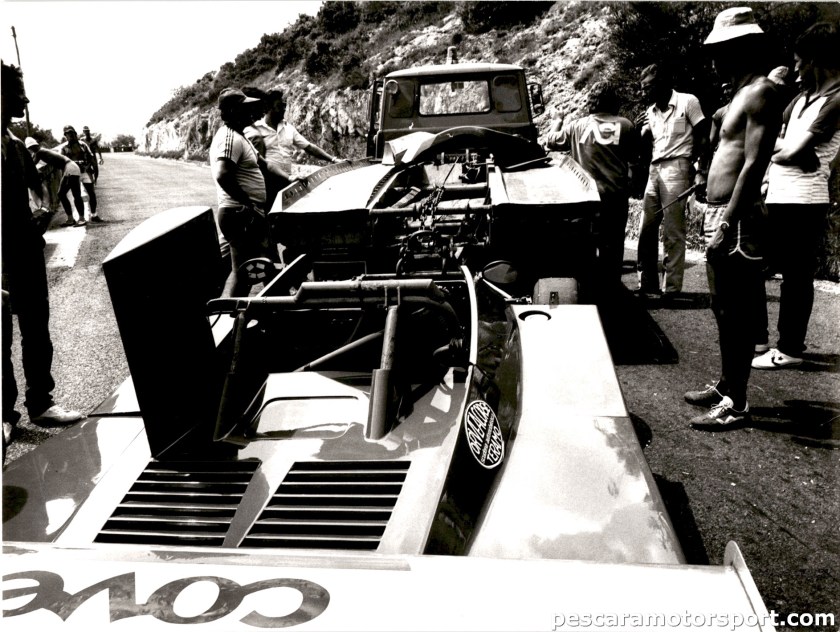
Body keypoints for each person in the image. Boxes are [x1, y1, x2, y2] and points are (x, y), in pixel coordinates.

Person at [683, 7, 783, 428]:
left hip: (736, 219)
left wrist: (726, 222)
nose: (713, 59)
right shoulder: (740, 96)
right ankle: (727, 385)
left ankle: (736, 404)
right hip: (722, 213)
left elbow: (754, 164)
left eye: (720, 50)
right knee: (722, 308)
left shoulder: (761, 92)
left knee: (737, 312)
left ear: (741, 49)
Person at [2, 61, 83, 449]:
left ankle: (41, 403)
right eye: (17, 93)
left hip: (27, 252)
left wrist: (47, 206)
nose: (25, 99)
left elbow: (40, 188)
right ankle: (4, 414)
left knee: (37, 331)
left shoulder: (18, 146)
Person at [752, 22, 840, 371]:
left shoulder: (836, 100)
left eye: (800, 61)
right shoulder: (800, 100)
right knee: (759, 267)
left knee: (796, 276)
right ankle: (760, 340)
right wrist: (787, 151)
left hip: (806, 199)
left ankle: (789, 348)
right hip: (778, 193)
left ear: (816, 60)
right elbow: (770, 139)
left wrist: (784, 150)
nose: (796, 68)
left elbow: (787, 150)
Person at [545, 80, 639, 297]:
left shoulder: (577, 126)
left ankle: (587, 291)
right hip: (614, 197)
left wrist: (557, 120)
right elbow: (635, 159)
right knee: (613, 248)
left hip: (585, 199)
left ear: (591, 102)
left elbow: (551, 141)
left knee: (584, 245)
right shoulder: (626, 125)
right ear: (614, 101)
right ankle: (612, 292)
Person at [635, 63, 708, 300]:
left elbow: (704, 136)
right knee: (646, 228)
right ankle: (647, 284)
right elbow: (645, 146)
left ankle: (671, 288)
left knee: (673, 230)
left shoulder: (688, 102)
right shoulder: (649, 112)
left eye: (647, 87)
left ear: (661, 84)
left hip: (678, 166)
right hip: (654, 168)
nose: (643, 92)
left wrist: (700, 170)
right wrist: (639, 132)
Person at [210, 87, 285, 297]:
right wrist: (248, 204)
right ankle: (235, 312)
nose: (250, 112)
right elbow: (223, 174)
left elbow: (265, 165)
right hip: (239, 213)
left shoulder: (240, 136)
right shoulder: (230, 138)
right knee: (244, 270)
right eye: (244, 108)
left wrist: (290, 179)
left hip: (245, 212)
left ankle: (272, 306)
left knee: (263, 264)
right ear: (232, 111)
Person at [244, 88, 341, 210]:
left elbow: (309, 147)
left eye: (284, 106)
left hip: (287, 181)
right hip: (266, 183)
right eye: (280, 106)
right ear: (269, 107)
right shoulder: (255, 129)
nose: (284, 109)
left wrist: (333, 159)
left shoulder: (288, 128)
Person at [25, 137, 86, 227]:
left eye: (32, 147)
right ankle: (74, 219)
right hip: (71, 167)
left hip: (70, 168)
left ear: (34, 146)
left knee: (67, 194)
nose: (32, 149)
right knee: (68, 194)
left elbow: (31, 164)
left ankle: (79, 219)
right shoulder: (41, 151)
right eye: (31, 148)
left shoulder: (40, 152)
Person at [57, 125, 102, 223]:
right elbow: (61, 162)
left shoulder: (83, 145)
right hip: (73, 173)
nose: (70, 136)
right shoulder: (63, 148)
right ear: (65, 136)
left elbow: (91, 158)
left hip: (85, 171)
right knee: (76, 195)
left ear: (75, 134)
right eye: (68, 134)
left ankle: (94, 214)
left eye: (72, 133)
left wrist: (93, 171)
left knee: (91, 193)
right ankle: (77, 218)